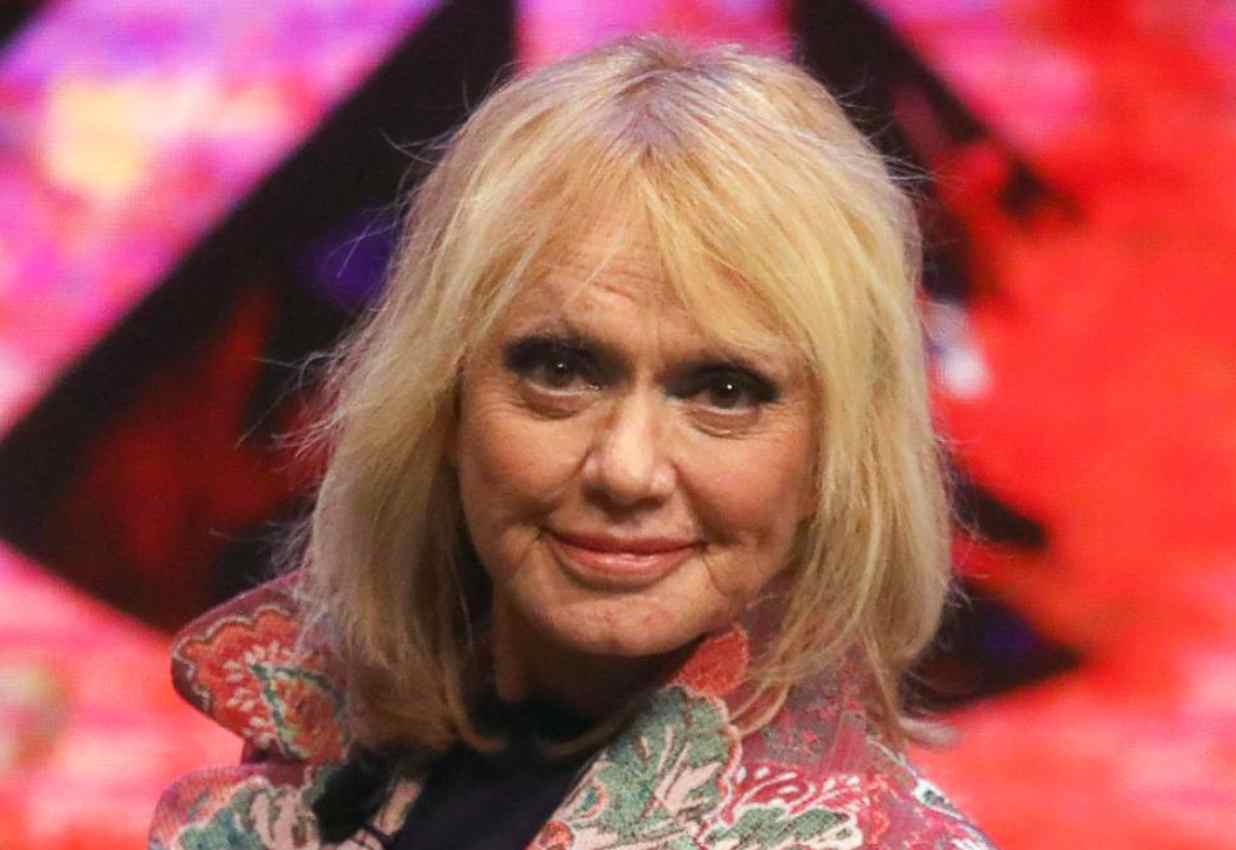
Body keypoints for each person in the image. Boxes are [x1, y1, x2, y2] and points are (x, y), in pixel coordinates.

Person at [150, 35, 996, 850]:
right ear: (441, 401)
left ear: (831, 456)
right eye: (560, 370)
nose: (626, 469)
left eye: (724, 392)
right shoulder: (325, 760)